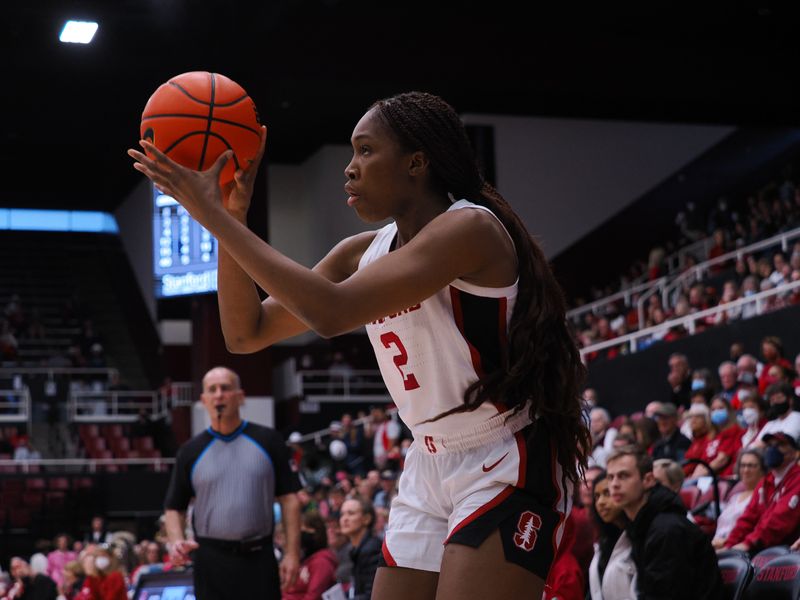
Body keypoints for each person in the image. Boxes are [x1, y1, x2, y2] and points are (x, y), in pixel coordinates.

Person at [130, 90, 591, 599]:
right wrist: (231, 217)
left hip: (505, 451)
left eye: (366, 151)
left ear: (417, 162)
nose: (349, 168)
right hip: (428, 458)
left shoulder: (470, 228)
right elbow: (245, 333)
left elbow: (331, 312)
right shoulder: (360, 252)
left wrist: (210, 214)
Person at [163, 366, 302, 599]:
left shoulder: (269, 441)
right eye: (212, 390)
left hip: (259, 557)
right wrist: (176, 541)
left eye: (225, 388)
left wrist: (292, 554)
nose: (219, 395)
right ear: (204, 400)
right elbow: (173, 507)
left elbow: (290, 500)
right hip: (210, 561)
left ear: (240, 396)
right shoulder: (189, 451)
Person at [605, 447, 723, 599]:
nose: (614, 484)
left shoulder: (667, 529)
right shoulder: (642, 524)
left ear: (648, 480)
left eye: (623, 476)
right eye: (610, 477)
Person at [723, 432, 800, 552]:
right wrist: (729, 545)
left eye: (780, 445)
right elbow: (747, 518)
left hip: (786, 551)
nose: (773, 449)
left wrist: (748, 544)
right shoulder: (766, 481)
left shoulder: (797, 479)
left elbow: (781, 519)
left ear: (795, 453)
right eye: (770, 445)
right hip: (763, 547)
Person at [587, 471, 636, 600]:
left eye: (607, 493)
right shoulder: (603, 542)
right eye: (596, 496)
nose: (600, 502)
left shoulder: (638, 538)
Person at [711, 449, 766, 549]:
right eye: (743, 465)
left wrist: (726, 543)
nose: (745, 470)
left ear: (762, 470)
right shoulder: (734, 497)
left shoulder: (762, 496)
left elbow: (755, 529)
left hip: (736, 548)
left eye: (751, 466)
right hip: (717, 545)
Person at [282, 511, 338, 600]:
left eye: (303, 530)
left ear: (317, 533)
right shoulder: (303, 560)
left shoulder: (322, 562)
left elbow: (313, 596)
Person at [339, 497, 381, 600]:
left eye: (351, 513)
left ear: (366, 519)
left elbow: (372, 595)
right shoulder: (358, 548)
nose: (344, 519)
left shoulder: (371, 549)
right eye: (342, 514)